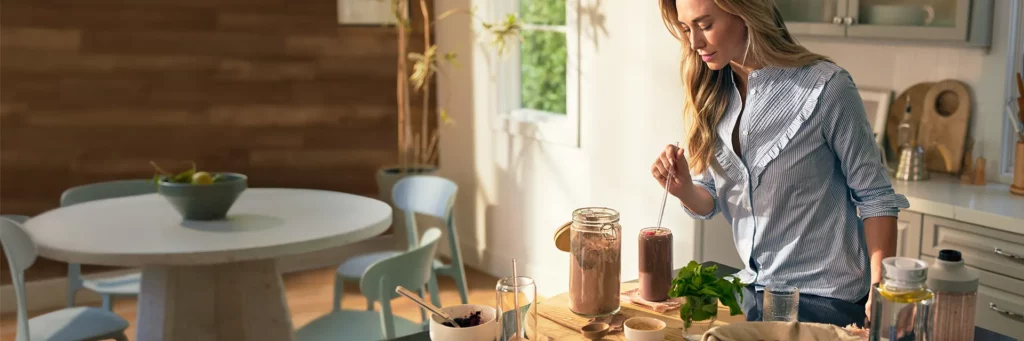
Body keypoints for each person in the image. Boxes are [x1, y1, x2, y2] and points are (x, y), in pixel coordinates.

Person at [651, 0, 909, 327]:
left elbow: (876, 199)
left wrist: (880, 289)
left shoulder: (826, 88)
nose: (694, 42)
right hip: (756, 293)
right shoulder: (714, 93)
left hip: (830, 300)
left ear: (746, 13)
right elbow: (710, 199)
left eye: (705, 25)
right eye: (687, 28)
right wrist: (684, 189)